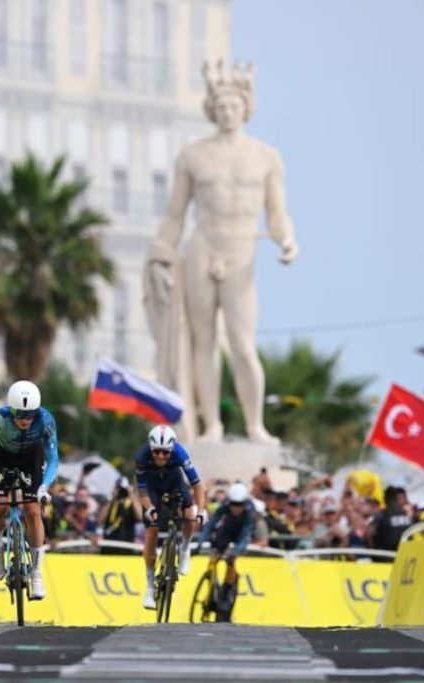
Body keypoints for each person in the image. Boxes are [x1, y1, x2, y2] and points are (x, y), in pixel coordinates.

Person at [143, 60, 298, 442]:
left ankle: (253, 425)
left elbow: (277, 215)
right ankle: (211, 425)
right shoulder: (193, 155)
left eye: (235, 106)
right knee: (204, 341)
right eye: (222, 106)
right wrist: (162, 254)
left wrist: (288, 241)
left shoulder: (266, 157)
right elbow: (175, 214)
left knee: (244, 345)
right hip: (202, 247)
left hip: (242, 250)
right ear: (212, 110)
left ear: (246, 107)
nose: (228, 113)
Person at [0, 380, 59, 600]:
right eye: (19, 415)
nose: (24, 420)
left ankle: (37, 573)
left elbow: (54, 458)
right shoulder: (0, 419)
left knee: (32, 511)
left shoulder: (46, 420)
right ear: (11, 410)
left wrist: (44, 487)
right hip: (3, 459)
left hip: (32, 459)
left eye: (29, 415)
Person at [135, 424, 207, 609]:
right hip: (152, 487)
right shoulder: (142, 457)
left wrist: (201, 510)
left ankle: (184, 549)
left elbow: (197, 485)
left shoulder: (180, 454)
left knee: (189, 513)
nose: (161, 456)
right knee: (152, 530)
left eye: (166, 453)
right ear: (151, 449)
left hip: (174, 480)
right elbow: (142, 492)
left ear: (172, 450)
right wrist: (150, 508)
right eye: (157, 452)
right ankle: (150, 587)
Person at [204, 482, 255, 622]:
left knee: (231, 560)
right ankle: (211, 586)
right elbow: (212, 522)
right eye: (233, 504)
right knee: (215, 550)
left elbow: (246, 535)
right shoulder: (225, 505)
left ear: (244, 503)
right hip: (227, 529)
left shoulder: (250, 511)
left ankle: (227, 592)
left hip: (241, 532)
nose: (235, 508)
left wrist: (235, 551)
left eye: (239, 505)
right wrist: (202, 541)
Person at [100, 477, 140, 554]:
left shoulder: (131, 504)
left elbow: (139, 516)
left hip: (127, 546)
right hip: (109, 546)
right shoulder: (110, 503)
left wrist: (131, 494)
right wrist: (112, 498)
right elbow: (101, 520)